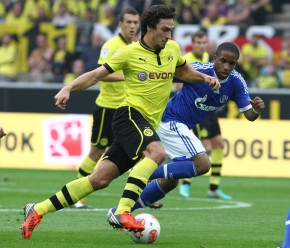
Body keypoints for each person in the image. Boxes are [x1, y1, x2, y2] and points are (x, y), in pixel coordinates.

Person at [20, 4, 220, 240]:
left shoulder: (172, 49)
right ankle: (123, 211)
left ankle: (37, 209)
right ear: (150, 28)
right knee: (156, 153)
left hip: (146, 124)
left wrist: (204, 77)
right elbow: (96, 75)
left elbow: (184, 71)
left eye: (171, 29)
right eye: (165, 29)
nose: (169, 35)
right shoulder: (129, 53)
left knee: (99, 179)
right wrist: (69, 87)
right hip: (129, 116)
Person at [108, 42, 265, 218]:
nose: (227, 67)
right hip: (170, 120)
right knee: (203, 164)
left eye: (232, 63)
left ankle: (121, 211)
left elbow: (249, 115)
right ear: (214, 58)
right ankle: (144, 171)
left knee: (170, 181)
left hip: (177, 127)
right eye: (223, 61)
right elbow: (165, 75)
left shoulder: (236, 82)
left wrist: (257, 110)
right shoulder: (199, 70)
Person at [72, 7, 141, 208]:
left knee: (137, 151)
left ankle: (143, 196)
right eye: (128, 22)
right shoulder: (111, 45)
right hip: (107, 108)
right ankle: (78, 197)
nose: (132, 26)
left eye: (135, 23)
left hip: (126, 108)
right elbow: (99, 73)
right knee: (96, 152)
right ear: (120, 24)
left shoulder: (136, 47)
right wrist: (125, 76)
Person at [178, 30, 232, 200]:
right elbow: (178, 86)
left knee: (219, 145)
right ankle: (185, 183)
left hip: (210, 108)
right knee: (204, 148)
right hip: (196, 109)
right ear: (192, 44)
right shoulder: (186, 60)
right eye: (198, 43)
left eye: (204, 42)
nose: (201, 46)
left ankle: (214, 188)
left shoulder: (209, 58)